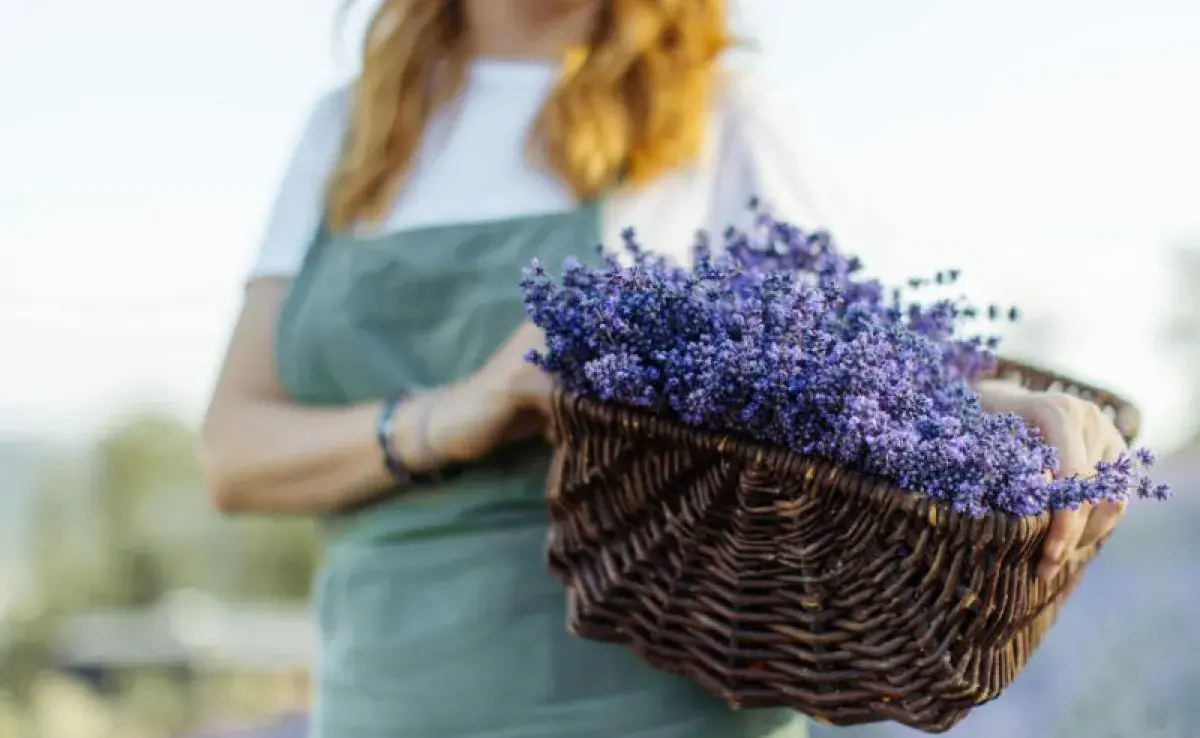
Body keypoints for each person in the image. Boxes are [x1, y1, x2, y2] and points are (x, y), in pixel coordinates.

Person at [200, 1, 1131, 736]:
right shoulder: (350, 130)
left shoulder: (711, 109)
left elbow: (855, 362)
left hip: (640, 710)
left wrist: (997, 410)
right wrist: (452, 414)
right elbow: (233, 452)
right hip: (382, 709)